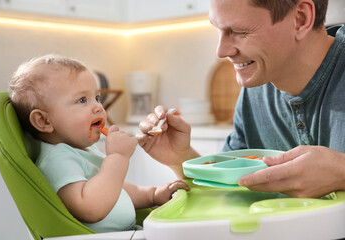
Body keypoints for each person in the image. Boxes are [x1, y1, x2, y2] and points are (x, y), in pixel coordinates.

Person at [137, 0, 345, 199]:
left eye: (239, 32)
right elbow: (231, 189)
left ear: (300, 19)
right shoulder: (257, 84)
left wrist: (341, 171)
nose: (221, 51)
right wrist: (181, 158)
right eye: (218, 29)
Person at [9, 54, 189, 233]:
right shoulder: (58, 160)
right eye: (82, 100)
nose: (98, 107)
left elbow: (116, 189)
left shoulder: (83, 150)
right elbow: (90, 208)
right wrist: (118, 157)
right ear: (43, 121)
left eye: (97, 98)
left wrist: (153, 194)